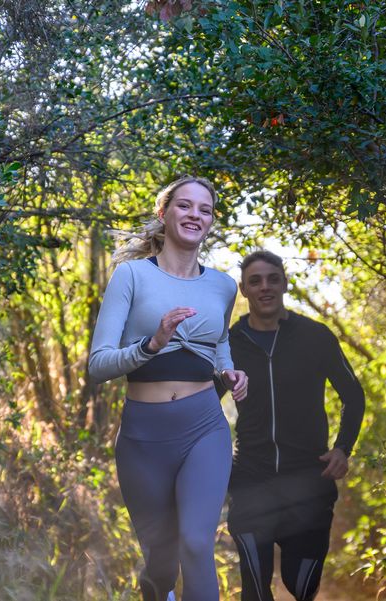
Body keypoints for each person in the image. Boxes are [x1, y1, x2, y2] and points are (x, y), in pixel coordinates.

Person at [87, 175, 249, 601]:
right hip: (143, 437)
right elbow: (97, 365)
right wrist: (151, 344)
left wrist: (230, 373)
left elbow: (219, 342)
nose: (195, 215)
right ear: (164, 213)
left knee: (196, 543)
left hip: (203, 427)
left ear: (211, 221)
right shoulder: (131, 277)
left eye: (205, 209)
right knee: (161, 561)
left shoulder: (223, 285)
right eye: (185, 205)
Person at [226, 250, 365, 601]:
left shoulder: (315, 336)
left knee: (300, 586)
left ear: (285, 283)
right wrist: (213, 460)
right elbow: (202, 407)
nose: (265, 287)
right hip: (250, 482)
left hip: (308, 485)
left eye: (273, 278)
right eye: (255, 281)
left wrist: (343, 448)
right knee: (256, 593)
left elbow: (354, 396)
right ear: (244, 290)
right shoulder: (228, 345)